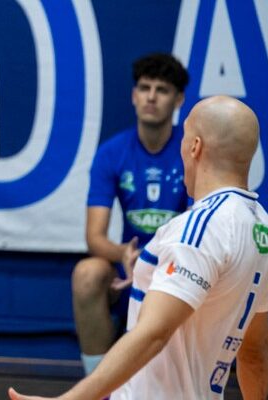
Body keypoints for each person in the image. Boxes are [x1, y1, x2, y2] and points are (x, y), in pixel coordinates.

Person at [9, 96, 268, 399]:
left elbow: (154, 334)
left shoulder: (198, 230)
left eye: (183, 139)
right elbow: (256, 348)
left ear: (194, 147)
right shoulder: (267, 233)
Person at [72, 53, 190, 375]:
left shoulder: (192, 149)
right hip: (128, 270)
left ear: (178, 99)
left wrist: (157, 260)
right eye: (144, 88)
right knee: (87, 274)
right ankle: (100, 388)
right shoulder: (112, 152)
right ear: (133, 95)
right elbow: (94, 237)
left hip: (179, 269)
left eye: (162, 90)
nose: (151, 97)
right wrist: (124, 253)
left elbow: (200, 229)